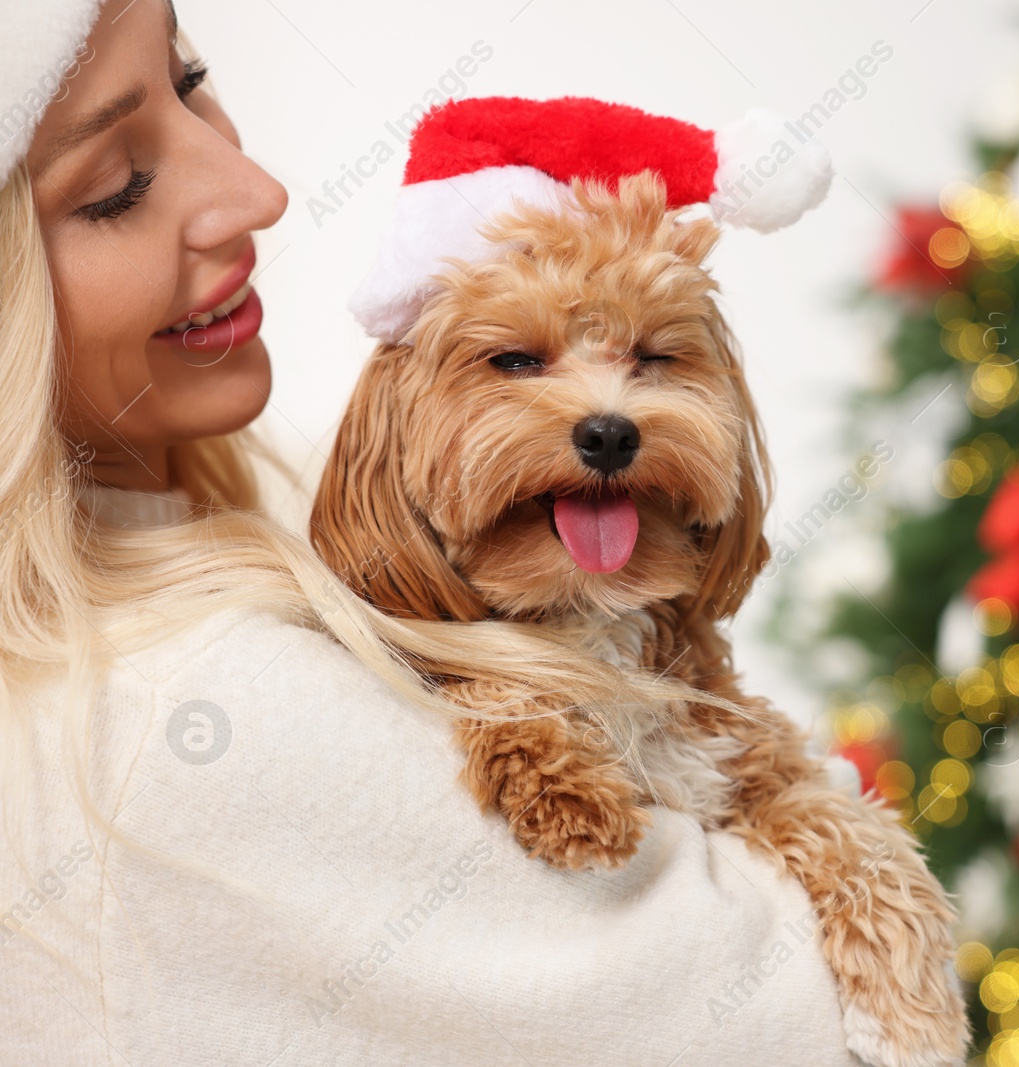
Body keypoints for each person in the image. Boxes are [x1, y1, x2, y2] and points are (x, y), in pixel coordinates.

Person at [0, 2, 861, 1064]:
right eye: (115, 188)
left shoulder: (213, 559)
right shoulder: (192, 712)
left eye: (191, 80)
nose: (257, 192)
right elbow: (836, 1026)